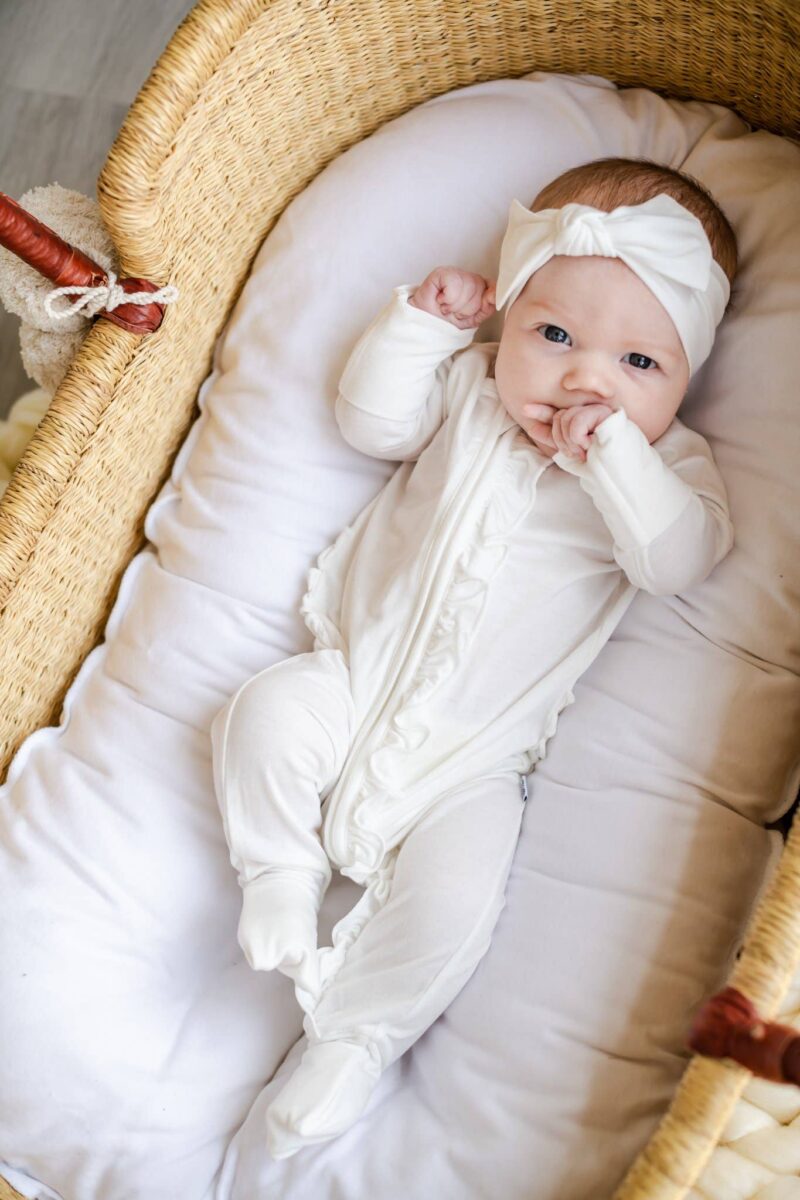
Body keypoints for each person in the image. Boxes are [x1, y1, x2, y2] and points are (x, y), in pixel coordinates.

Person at [210, 156, 738, 1158]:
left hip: (479, 761)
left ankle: (354, 1044)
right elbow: (367, 422)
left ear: (686, 378)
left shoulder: (669, 472)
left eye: (638, 366)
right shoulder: (466, 394)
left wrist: (616, 456)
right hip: (351, 675)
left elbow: (675, 563)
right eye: (552, 336)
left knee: (457, 898)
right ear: (507, 325)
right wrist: (418, 324)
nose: (585, 377)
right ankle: (275, 872)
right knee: (263, 715)